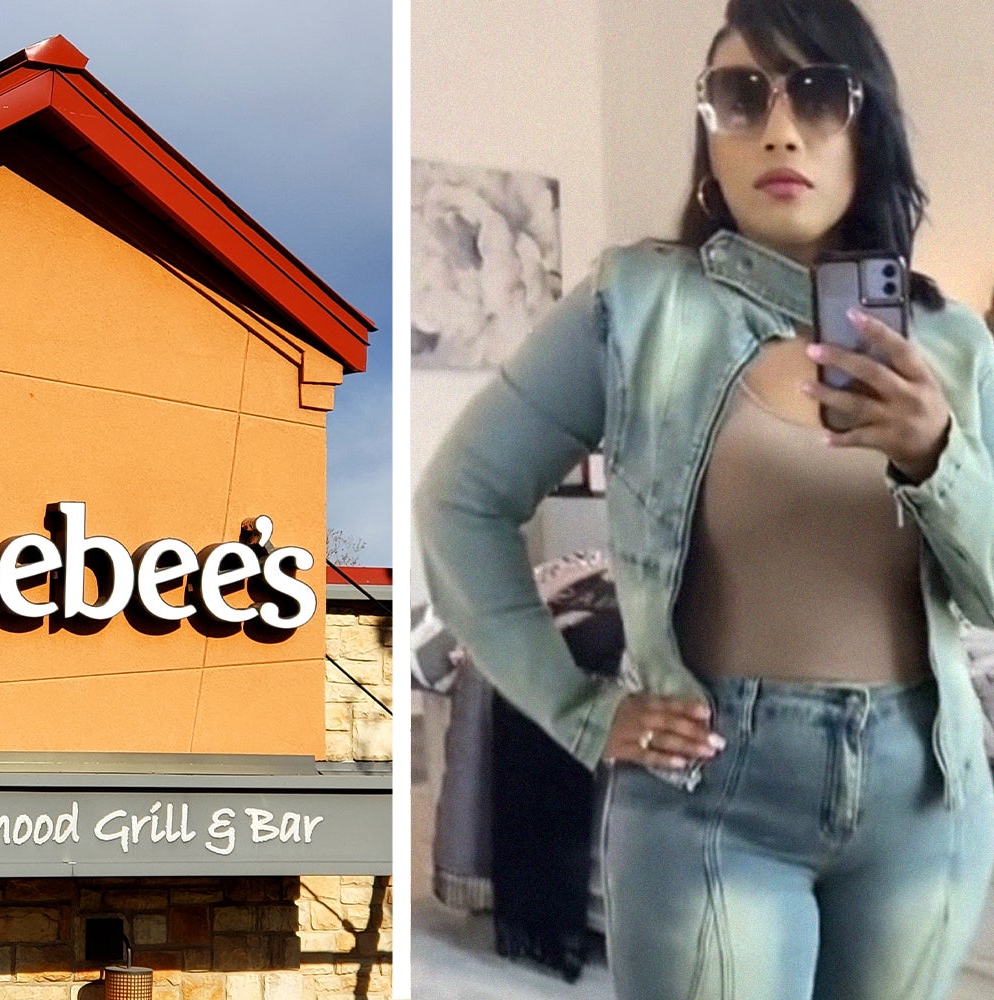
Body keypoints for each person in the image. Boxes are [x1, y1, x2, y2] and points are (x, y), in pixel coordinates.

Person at [414, 2, 994, 998]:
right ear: (707, 139)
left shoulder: (949, 348)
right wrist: (577, 710)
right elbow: (458, 503)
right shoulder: (631, 305)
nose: (777, 126)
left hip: (925, 801)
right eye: (739, 94)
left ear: (869, 127)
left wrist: (933, 452)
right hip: (707, 790)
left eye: (817, 93)